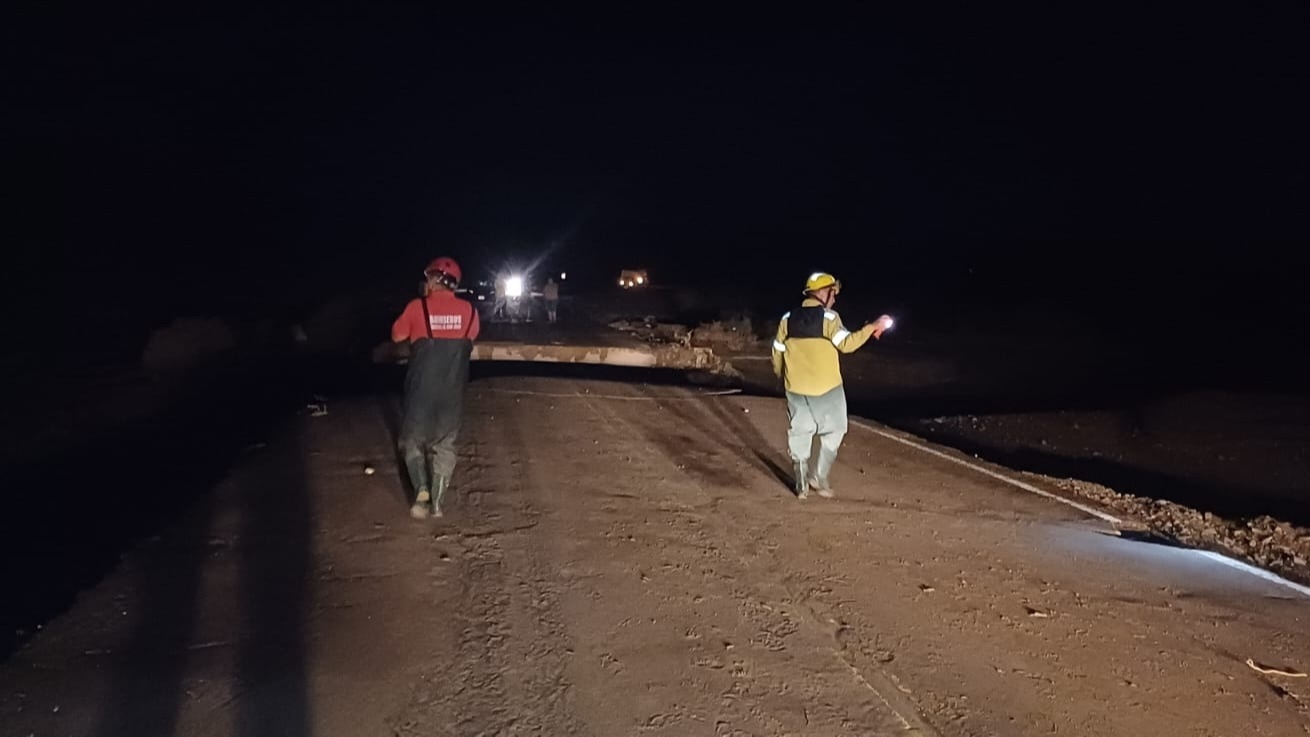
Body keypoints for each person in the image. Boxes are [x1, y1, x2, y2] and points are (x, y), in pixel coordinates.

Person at [771, 272, 891, 499]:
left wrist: (781, 376)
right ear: (824, 293)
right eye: (833, 293)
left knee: (800, 430)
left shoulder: (787, 318)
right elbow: (847, 344)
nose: (834, 299)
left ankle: (800, 482)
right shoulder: (829, 318)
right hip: (827, 388)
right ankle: (818, 477)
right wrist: (872, 327)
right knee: (835, 430)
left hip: (795, 387)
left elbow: (777, 351)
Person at [391, 256, 481, 519]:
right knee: (445, 444)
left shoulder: (417, 307)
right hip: (453, 391)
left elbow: (397, 335)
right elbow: (470, 337)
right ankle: (439, 503)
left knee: (411, 441)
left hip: (421, 389)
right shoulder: (471, 312)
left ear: (433, 280)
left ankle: (422, 493)